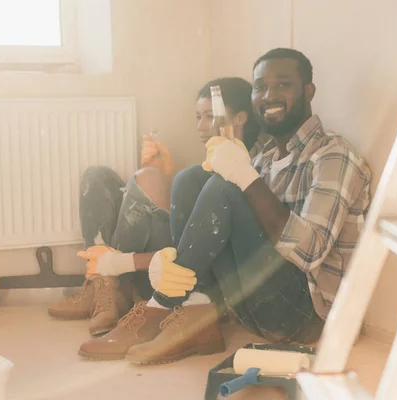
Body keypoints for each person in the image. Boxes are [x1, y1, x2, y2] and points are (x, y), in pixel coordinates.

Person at [78, 48, 372, 364]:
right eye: (260, 87)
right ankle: (196, 315)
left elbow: (311, 251)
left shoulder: (333, 155)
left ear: (308, 91)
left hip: (304, 315)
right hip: (248, 304)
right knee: (192, 176)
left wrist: (244, 176)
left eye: (283, 85)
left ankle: (160, 306)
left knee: (225, 186)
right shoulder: (266, 158)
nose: (269, 95)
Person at [47, 77, 264, 338]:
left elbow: (197, 252)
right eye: (197, 116)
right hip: (155, 261)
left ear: (239, 118)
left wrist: (120, 263)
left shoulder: (247, 170)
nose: (200, 126)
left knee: (149, 177)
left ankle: (113, 284)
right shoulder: (213, 161)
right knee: (98, 175)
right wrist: (163, 175)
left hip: (175, 278)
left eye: (209, 116)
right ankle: (101, 285)